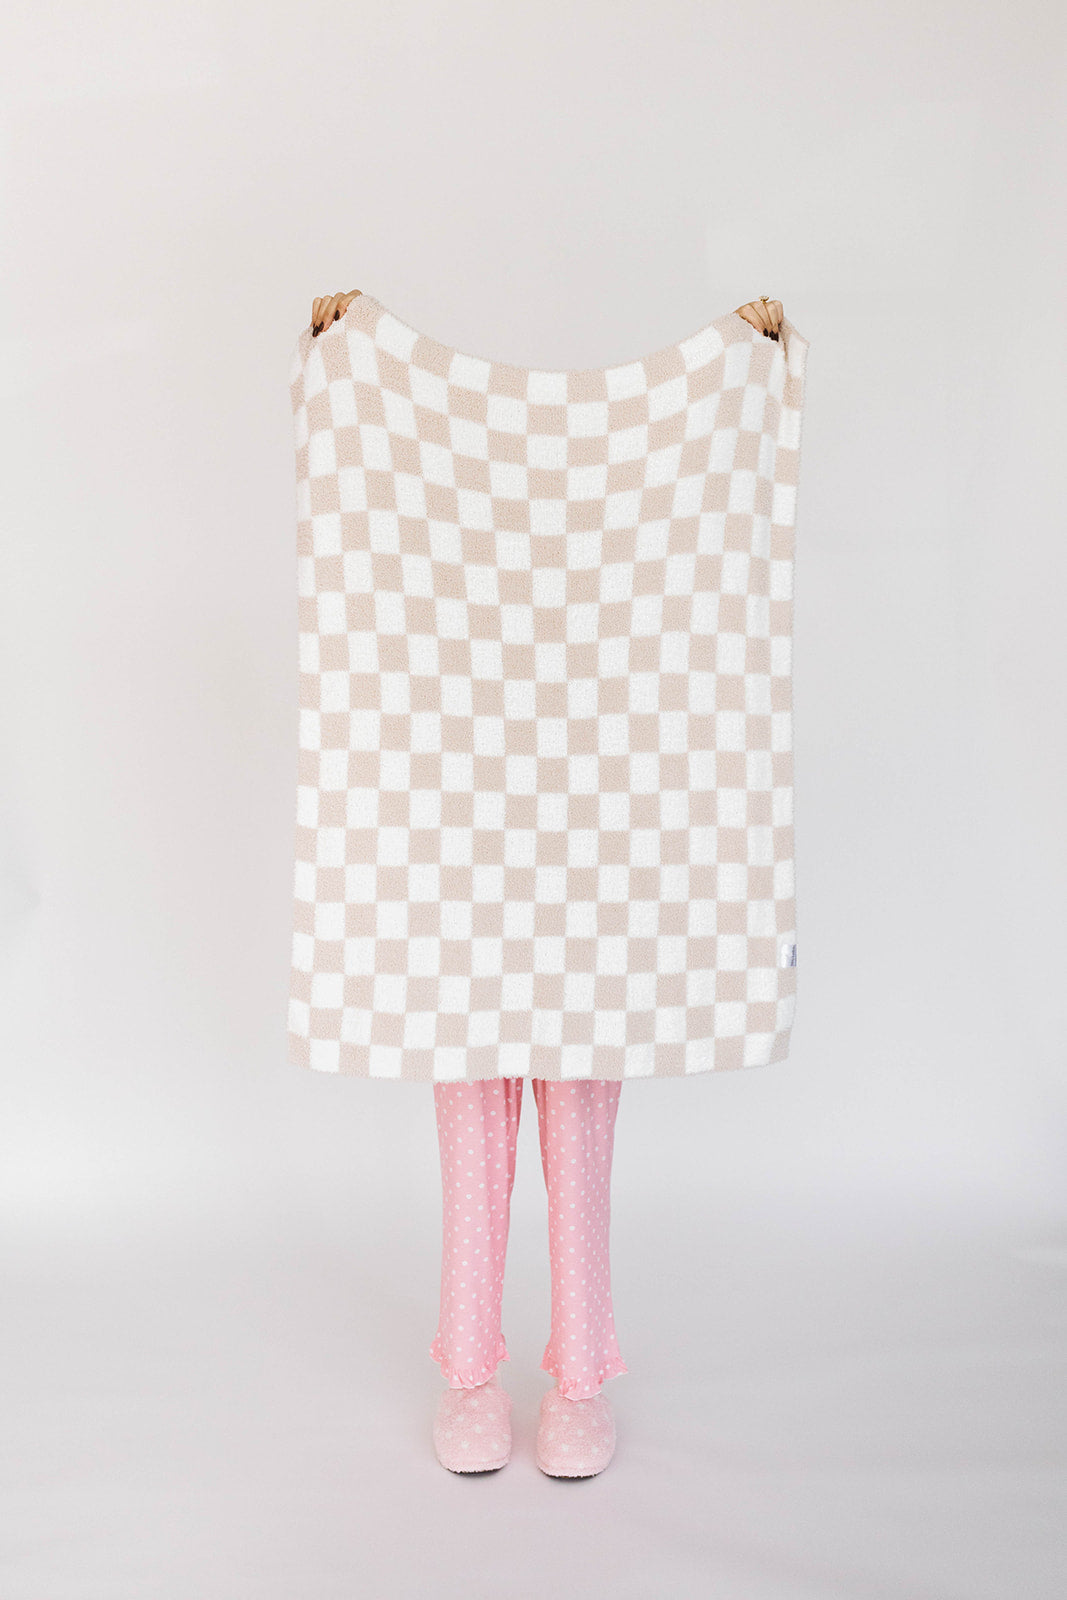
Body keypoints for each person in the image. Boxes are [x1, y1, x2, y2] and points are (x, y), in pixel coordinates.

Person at [305, 290, 786, 1479]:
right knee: (467, 1083)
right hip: (460, 807)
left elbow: (666, 557)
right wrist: (342, 358)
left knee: (577, 1090)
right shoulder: (447, 518)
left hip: (591, 820)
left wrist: (742, 363)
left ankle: (580, 1367)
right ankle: (467, 1362)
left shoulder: (608, 538)